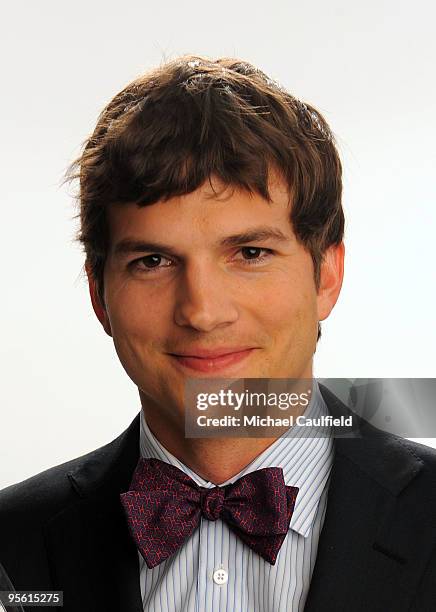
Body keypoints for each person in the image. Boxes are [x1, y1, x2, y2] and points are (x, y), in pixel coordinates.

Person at [0, 55, 435, 612]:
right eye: (153, 261)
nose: (202, 312)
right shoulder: (11, 548)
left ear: (326, 275)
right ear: (97, 295)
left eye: (250, 253)